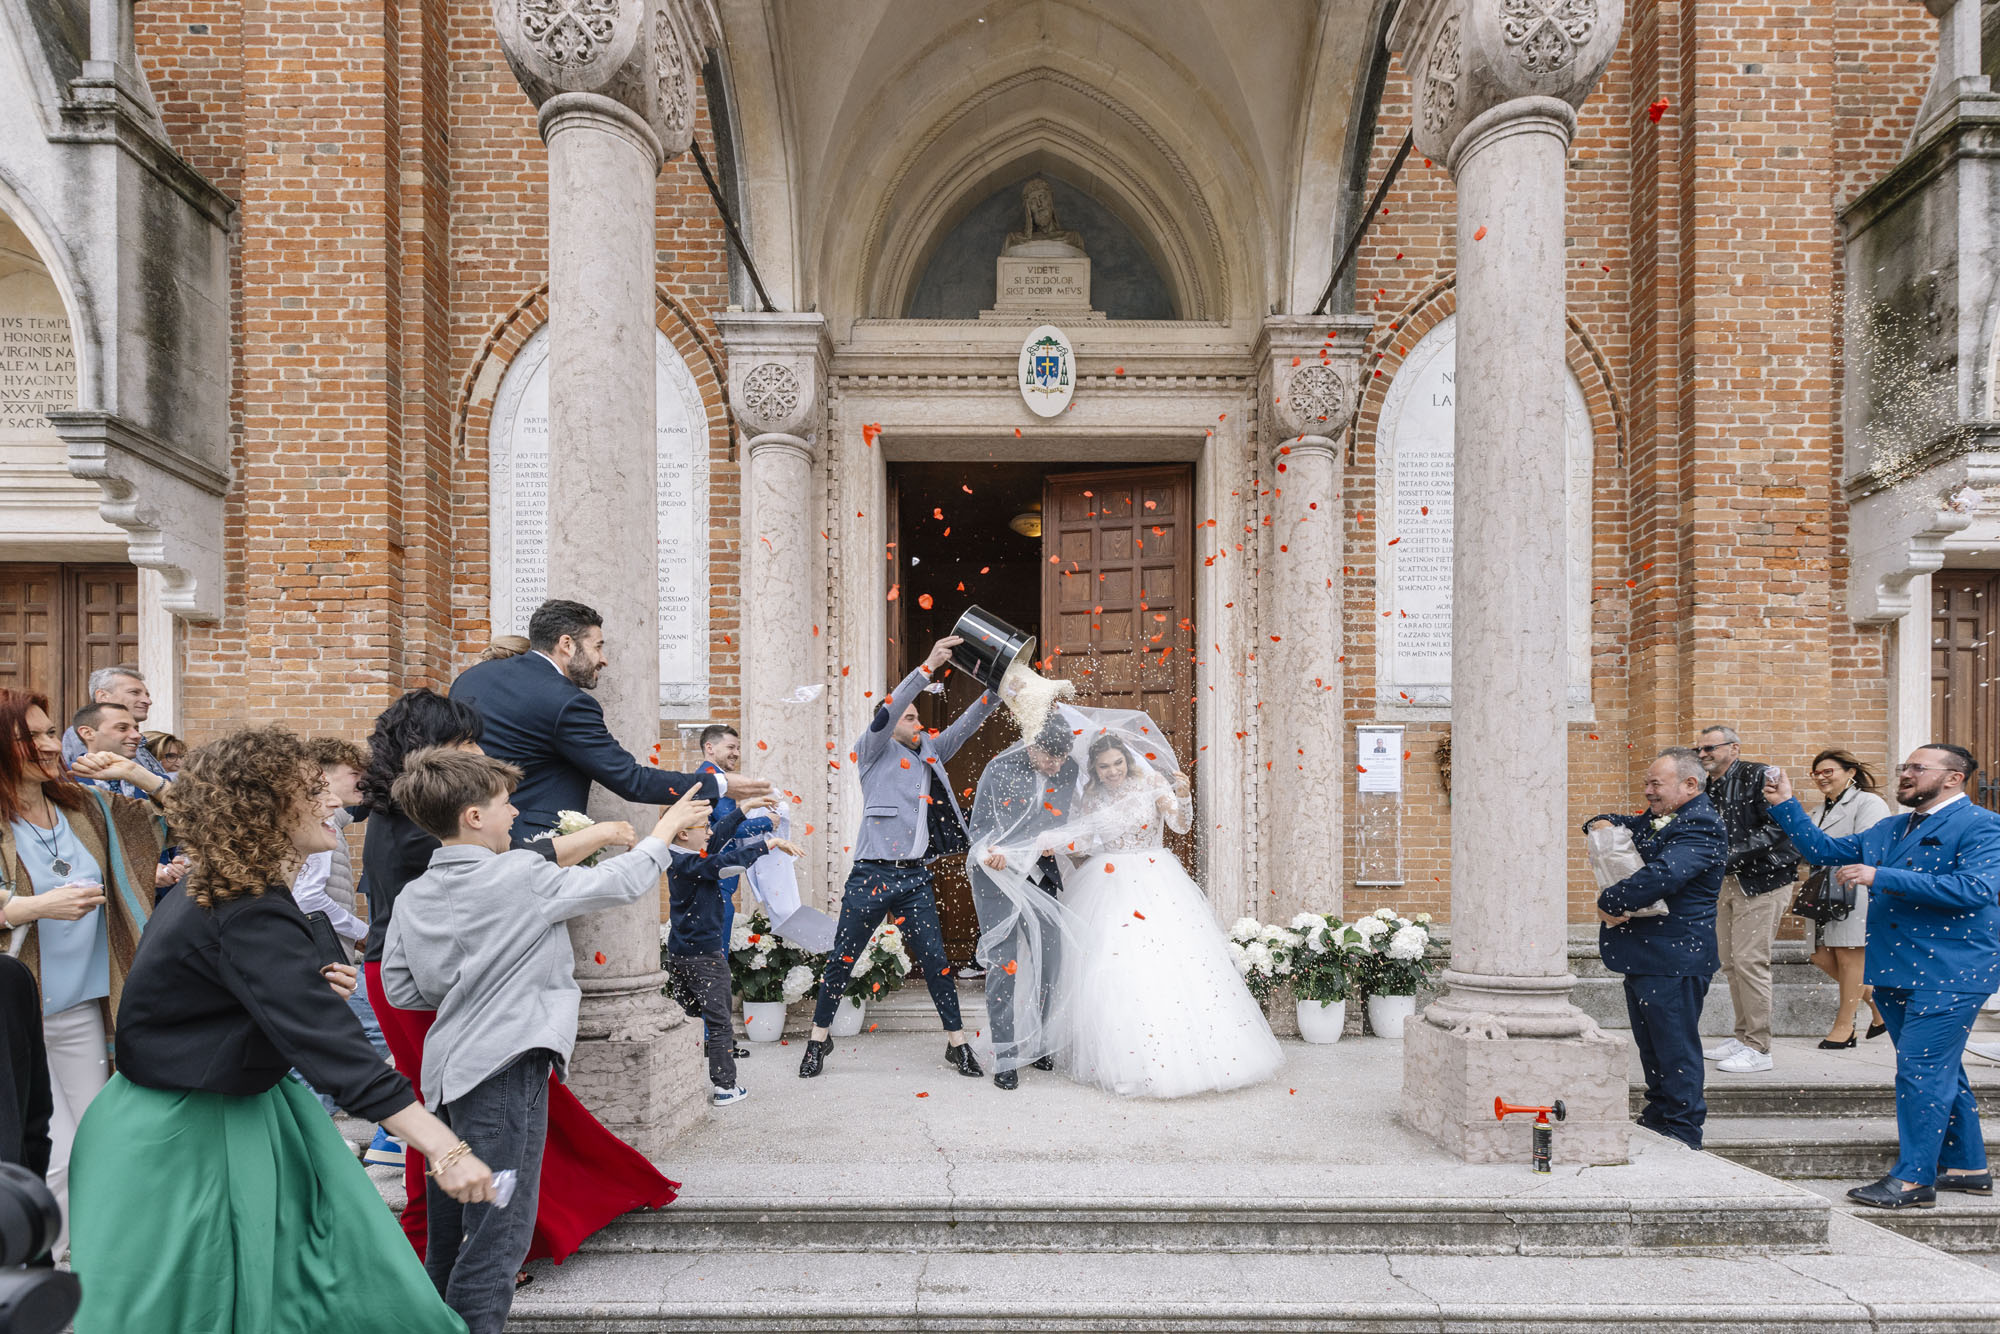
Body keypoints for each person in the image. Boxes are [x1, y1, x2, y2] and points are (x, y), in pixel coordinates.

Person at [65, 725, 489, 1334]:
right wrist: (444, 1148)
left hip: (226, 1110)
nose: (335, 801)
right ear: (264, 807)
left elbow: (213, 997)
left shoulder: (227, 886)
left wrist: (291, 989)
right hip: (188, 1133)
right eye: (315, 790)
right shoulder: (247, 904)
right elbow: (331, 1046)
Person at [382, 750, 712, 1334]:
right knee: (497, 1232)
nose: (515, 814)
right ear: (474, 817)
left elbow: (402, 989)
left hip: (445, 1075)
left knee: (448, 1234)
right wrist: (664, 831)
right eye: (505, 804)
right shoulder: (519, 874)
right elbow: (620, 882)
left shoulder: (414, 896)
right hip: (506, 1068)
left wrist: (468, 981)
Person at [356, 688, 678, 1267]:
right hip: (449, 975)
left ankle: (457, 1248)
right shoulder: (444, 828)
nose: (480, 752)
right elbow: (518, 876)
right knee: (453, 1119)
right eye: (467, 743)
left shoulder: (405, 816)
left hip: (415, 970)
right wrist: (631, 835)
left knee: (447, 1109)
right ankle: (457, 1245)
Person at [1764, 745, 2000, 1209]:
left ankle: (1913, 1180)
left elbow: (1975, 889)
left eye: (1917, 768)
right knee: (1939, 1069)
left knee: (1921, 1071)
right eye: (1903, 767)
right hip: (1895, 969)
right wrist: (1785, 803)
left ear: (1954, 778)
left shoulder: (1982, 825)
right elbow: (1823, 850)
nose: (1905, 774)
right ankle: (1967, 1167)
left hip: (1951, 971)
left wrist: (1882, 876)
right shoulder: (1892, 826)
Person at [1013, 710, 1280, 1099]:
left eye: (1117, 763)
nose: (1112, 772)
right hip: (1107, 883)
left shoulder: (1151, 783)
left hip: (1156, 880)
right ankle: (1124, 1061)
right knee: (1113, 968)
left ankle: (1185, 1058)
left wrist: (1183, 796)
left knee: (1169, 964)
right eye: (1104, 767)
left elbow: (1180, 826)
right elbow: (1084, 840)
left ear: (1127, 758)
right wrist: (1055, 845)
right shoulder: (1091, 796)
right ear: (1095, 769)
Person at [0, 688, 166, 1256]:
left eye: (51, 732)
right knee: (49, 1149)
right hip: (16, 1015)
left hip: (85, 1005)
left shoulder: (87, 806)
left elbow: (191, 819)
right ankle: (43, 1270)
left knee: (100, 1137)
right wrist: (33, 906)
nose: (51, 745)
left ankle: (92, 1261)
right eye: (32, 737)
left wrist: (137, 774)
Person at [799, 635, 997, 1079]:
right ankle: (818, 1039)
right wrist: (927, 667)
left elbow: (966, 725)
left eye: (919, 717)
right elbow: (892, 708)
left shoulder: (931, 752)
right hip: (870, 876)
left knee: (937, 963)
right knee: (842, 958)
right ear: (891, 723)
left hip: (914, 880)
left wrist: (998, 690)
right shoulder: (872, 749)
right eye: (910, 717)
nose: (918, 721)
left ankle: (957, 1044)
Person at [449, 599, 769, 843]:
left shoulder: (471, 679)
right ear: (566, 644)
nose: (603, 659)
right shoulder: (568, 702)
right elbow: (631, 780)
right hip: (534, 849)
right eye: (598, 646)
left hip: (461, 835)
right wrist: (721, 784)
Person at [1586, 748, 1728, 1149]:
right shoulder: (1665, 816)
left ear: (1690, 784)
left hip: (1676, 957)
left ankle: (1683, 1131)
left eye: (1655, 783)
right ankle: (1658, 1116)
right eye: (1646, 783)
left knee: (1675, 1049)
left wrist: (1610, 902)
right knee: (1652, 1047)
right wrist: (1599, 823)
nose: (1647, 791)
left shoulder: (1702, 825)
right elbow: (1628, 823)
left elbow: (1664, 875)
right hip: (1650, 956)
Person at [665, 791, 799, 1106]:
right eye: (704, 827)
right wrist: (768, 844)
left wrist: (746, 807)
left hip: (681, 953)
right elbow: (725, 861)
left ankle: (679, 1083)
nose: (709, 832)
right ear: (684, 833)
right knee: (719, 1021)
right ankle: (725, 1086)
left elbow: (719, 837)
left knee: (687, 1019)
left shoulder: (680, 854)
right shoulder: (691, 863)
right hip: (705, 958)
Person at [968, 717, 1080, 1089]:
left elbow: (1070, 816)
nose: (1057, 766)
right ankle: (1005, 1055)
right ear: (1031, 746)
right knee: (1004, 965)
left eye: (1062, 758)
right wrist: (989, 851)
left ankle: (1043, 1043)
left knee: (1052, 961)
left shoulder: (1069, 769)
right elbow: (979, 827)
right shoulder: (997, 769)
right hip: (998, 878)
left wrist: (1057, 839)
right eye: (1050, 758)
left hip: (1041, 876)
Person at [1695, 725, 1799, 1074]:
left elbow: (1779, 826)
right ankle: (1743, 1037)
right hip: (1726, 880)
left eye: (1710, 748)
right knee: (1730, 962)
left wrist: (1729, 855)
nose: (1703, 754)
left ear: (1734, 748)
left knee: (1751, 961)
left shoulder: (1760, 775)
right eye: (1699, 749)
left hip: (1764, 881)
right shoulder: (1707, 784)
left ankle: (1759, 1047)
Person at [289, 738, 377, 1117]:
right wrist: (362, 932)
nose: (362, 782)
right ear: (322, 776)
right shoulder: (323, 828)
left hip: (327, 953)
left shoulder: (333, 827)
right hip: (323, 956)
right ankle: (309, 1122)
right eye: (354, 773)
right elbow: (308, 897)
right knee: (371, 1027)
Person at [1801, 749, 1892, 1047]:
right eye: (1816, 773)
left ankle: (1845, 1027)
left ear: (1851, 772)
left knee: (1850, 955)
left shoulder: (1869, 803)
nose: (1821, 777)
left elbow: (1869, 845)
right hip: (1822, 891)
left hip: (1855, 887)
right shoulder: (1818, 811)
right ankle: (1879, 1006)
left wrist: (1826, 853)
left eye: (1828, 771)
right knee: (1819, 955)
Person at [695, 722, 772, 1061]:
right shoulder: (713, 782)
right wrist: (769, 821)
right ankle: (714, 1041)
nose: (736, 753)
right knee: (715, 965)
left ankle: (712, 1038)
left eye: (738, 748)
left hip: (716, 885)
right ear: (709, 748)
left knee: (714, 964)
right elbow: (729, 829)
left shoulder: (713, 781)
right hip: (715, 887)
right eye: (730, 747)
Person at [59, 666, 171, 783]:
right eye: (134, 692)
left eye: (147, 695)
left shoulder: (134, 739)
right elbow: (101, 784)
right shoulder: (87, 735)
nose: (148, 701)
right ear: (103, 696)